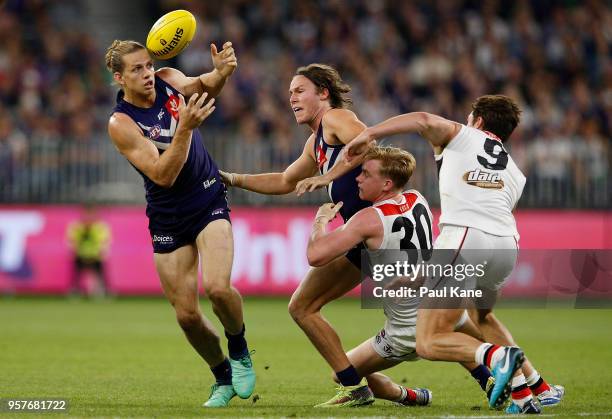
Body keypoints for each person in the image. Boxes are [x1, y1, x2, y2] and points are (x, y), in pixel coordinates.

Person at [344, 95, 564, 413]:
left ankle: (497, 358)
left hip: (464, 237)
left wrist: (371, 133)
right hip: (506, 245)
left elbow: (422, 119)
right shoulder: (515, 171)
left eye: (470, 115)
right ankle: (529, 392)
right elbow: (498, 214)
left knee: (430, 340)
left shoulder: (463, 134)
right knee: (482, 315)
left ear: (478, 120)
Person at [105, 39, 254, 408]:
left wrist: (222, 72)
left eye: (148, 64)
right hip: (167, 214)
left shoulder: (169, 79)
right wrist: (184, 128)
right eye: (137, 69)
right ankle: (222, 378)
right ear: (119, 77)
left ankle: (239, 350)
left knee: (218, 289)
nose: (147, 73)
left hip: (207, 197)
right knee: (187, 316)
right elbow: (162, 175)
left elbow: (206, 85)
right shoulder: (121, 124)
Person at [220, 64, 376, 406]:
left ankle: (492, 371)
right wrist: (230, 178)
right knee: (303, 306)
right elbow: (285, 181)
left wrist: (327, 177)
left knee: (427, 327)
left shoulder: (336, 118)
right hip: (363, 240)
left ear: (323, 93)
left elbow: (368, 141)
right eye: (289, 91)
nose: (291, 97)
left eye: (300, 90)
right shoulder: (315, 142)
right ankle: (355, 386)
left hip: (382, 233)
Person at [307, 146, 496, 407]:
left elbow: (315, 256)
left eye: (365, 173)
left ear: (386, 183)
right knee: (479, 340)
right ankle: (497, 382)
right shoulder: (418, 199)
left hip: (407, 330)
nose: (357, 179)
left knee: (343, 373)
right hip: (443, 305)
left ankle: (405, 395)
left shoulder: (367, 219)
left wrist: (321, 221)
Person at [66, 204, 111, 297]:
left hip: (95, 255)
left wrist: (102, 251)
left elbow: (104, 241)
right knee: (76, 275)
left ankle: (103, 291)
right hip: (80, 254)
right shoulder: (77, 226)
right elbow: (71, 240)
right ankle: (75, 291)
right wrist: (73, 250)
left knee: (100, 275)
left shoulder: (99, 227)